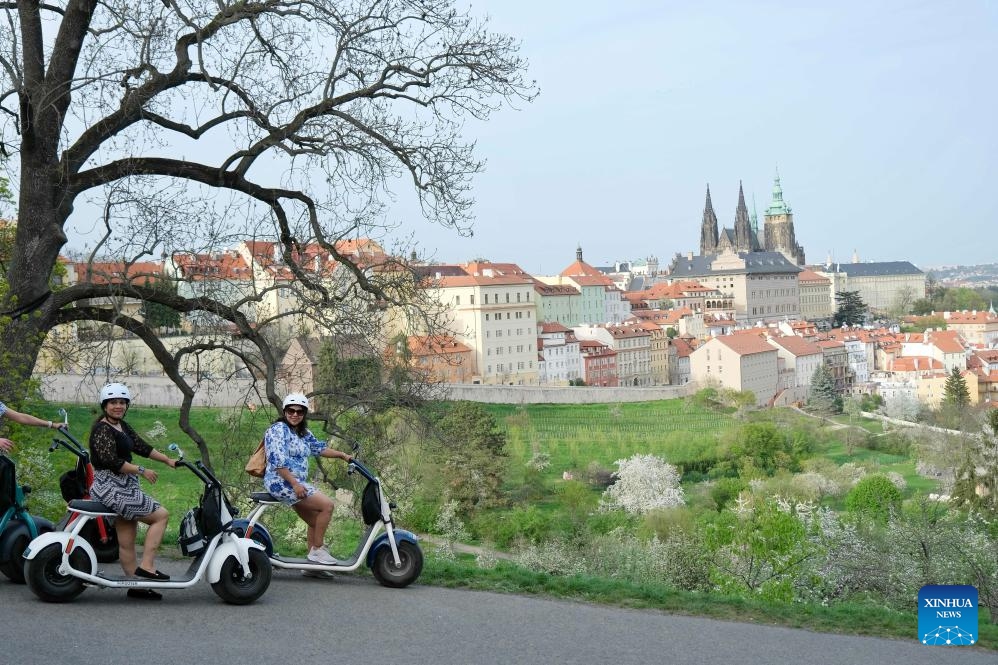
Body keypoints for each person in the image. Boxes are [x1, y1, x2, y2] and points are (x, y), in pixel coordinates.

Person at [88, 383, 176, 600]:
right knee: (161, 516)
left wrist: (167, 460)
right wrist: (141, 470)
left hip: (123, 485)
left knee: (127, 538)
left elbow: (141, 446)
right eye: (113, 402)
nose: (118, 406)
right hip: (111, 487)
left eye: (122, 402)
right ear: (104, 405)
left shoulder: (121, 426)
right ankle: (147, 567)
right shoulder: (102, 429)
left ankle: (136, 586)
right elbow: (111, 461)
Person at [263, 393, 351, 570]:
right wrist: (295, 484)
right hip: (281, 481)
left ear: (304, 414)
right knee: (327, 506)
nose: (295, 414)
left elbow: (320, 448)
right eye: (291, 410)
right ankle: (317, 550)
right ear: (285, 411)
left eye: (300, 411)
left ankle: (313, 568)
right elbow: (277, 461)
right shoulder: (278, 429)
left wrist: (342, 455)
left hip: (296, 483)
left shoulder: (303, 433)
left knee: (315, 521)